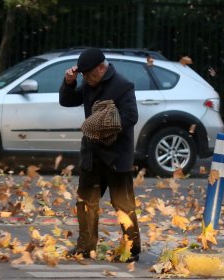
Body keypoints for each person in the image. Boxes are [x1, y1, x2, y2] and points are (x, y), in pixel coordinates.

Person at [59, 48, 141, 262]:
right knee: (86, 202)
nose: (86, 79)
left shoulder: (122, 85)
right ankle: (85, 247)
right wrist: (69, 82)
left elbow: (131, 116)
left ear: (101, 68)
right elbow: (67, 101)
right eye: (83, 76)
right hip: (92, 154)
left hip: (116, 156)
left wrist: (107, 124)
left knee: (123, 204)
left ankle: (131, 249)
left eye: (89, 75)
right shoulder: (87, 84)